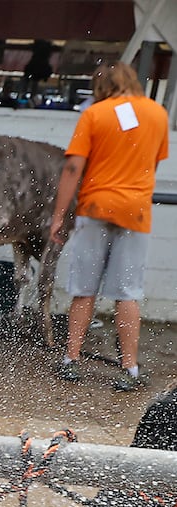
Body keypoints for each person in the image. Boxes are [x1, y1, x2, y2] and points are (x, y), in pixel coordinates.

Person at [50, 60, 169, 391]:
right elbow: (153, 161)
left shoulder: (95, 114)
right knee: (127, 293)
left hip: (95, 206)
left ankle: (71, 359)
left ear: (101, 86)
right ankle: (129, 368)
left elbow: (73, 167)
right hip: (136, 212)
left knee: (84, 289)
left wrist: (60, 215)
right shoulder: (158, 114)